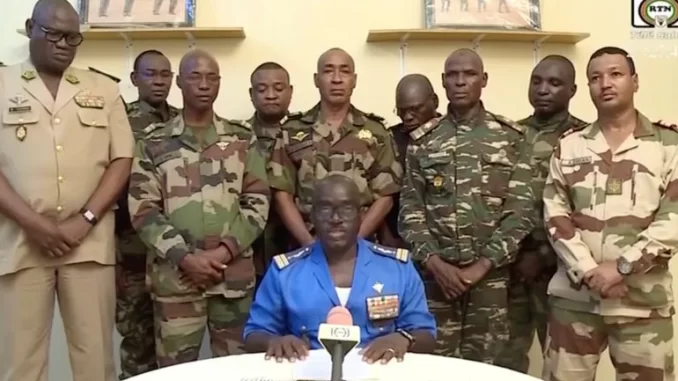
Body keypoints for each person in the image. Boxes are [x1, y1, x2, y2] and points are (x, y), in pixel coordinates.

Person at [0, 1, 135, 380]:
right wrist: (36, 225)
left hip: (87, 243)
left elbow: (121, 159)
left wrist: (86, 219)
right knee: (21, 362)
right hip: (19, 241)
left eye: (73, 37)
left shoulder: (104, 88)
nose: (64, 44)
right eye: (53, 34)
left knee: (95, 360)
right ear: (30, 28)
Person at [127, 49, 270, 367]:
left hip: (231, 281)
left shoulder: (241, 139)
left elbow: (258, 201)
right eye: (195, 76)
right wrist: (186, 258)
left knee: (239, 371)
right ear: (180, 82)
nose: (204, 84)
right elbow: (143, 208)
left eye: (212, 77)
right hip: (176, 281)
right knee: (175, 373)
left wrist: (222, 254)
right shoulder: (153, 142)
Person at [542, 46, 676, 381]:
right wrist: (589, 269)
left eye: (615, 74)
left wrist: (621, 267)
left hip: (643, 303)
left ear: (635, 81)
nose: (605, 83)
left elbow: (673, 219)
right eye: (595, 78)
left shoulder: (667, 145)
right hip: (575, 301)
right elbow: (554, 212)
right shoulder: (570, 145)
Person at [398, 48, 536, 364]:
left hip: (492, 282)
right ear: (443, 83)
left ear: (483, 80)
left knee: (487, 366)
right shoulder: (423, 141)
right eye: (453, 75)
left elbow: (521, 210)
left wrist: (481, 266)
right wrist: (436, 264)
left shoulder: (511, 137)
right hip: (435, 281)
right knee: (432, 365)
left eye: (469, 74)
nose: (461, 82)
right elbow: (410, 211)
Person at [243, 174, 436, 363]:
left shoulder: (397, 268)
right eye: (325, 208)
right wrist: (275, 341)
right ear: (313, 216)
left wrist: (403, 339)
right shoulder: (285, 272)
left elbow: (426, 334)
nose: (336, 218)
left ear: (361, 215)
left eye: (346, 208)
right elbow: (253, 334)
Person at [494, 55, 587, 373]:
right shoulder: (509, 135)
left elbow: (588, 211)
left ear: (572, 90)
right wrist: (514, 255)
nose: (543, 89)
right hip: (511, 269)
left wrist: (544, 255)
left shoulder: (585, 140)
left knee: (562, 362)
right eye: (537, 81)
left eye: (554, 83)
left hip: (561, 272)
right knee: (504, 359)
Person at [267, 48, 402, 249]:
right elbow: (281, 195)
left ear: (354, 80)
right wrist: (308, 244)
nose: (337, 79)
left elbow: (385, 196)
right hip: (304, 246)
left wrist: (355, 242)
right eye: (328, 71)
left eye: (344, 71)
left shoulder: (376, 132)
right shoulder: (292, 130)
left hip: (362, 246)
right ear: (316, 79)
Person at [115, 49, 179, 379]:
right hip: (133, 254)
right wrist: (112, 259)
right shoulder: (118, 121)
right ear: (134, 79)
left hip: (176, 255)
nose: (159, 81)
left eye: (165, 74)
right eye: (150, 74)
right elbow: (107, 188)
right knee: (138, 343)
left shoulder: (185, 120)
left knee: (175, 346)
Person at [234, 62, 294, 286]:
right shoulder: (235, 137)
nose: (270, 95)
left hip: (297, 241)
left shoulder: (305, 133)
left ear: (290, 92)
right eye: (262, 89)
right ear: (251, 94)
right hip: (251, 247)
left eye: (278, 89)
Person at [382, 74, 441, 248]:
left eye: (415, 109)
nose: (408, 117)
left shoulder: (453, 135)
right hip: (399, 241)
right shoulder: (390, 139)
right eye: (401, 111)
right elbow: (377, 194)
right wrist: (387, 238)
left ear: (435, 102)